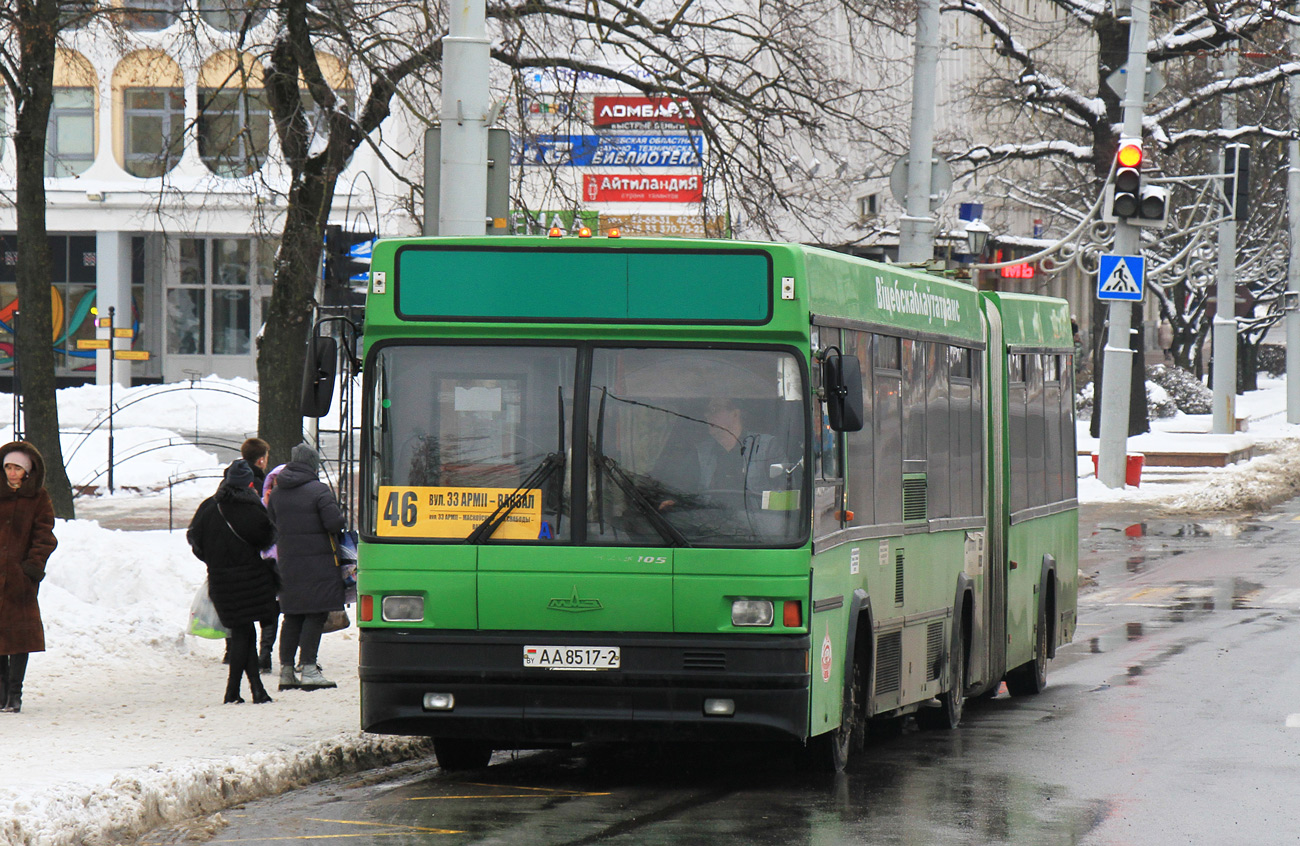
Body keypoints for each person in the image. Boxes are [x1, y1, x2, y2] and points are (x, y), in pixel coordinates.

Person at [187, 459, 278, 704]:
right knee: (242, 633)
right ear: (249, 483)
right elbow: (266, 539)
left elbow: (195, 541)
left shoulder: (209, 507)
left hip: (220, 581)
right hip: (249, 581)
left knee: (242, 632)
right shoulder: (252, 508)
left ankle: (254, 690)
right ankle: (235, 692)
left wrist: (214, 562)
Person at [268, 444, 346, 691]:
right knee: (315, 613)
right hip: (318, 564)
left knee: (291, 616)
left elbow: (271, 520)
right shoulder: (318, 490)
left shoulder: (278, 492)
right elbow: (334, 522)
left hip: (289, 563)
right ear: (313, 464)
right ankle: (309, 669)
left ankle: (287, 672)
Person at [0, 441, 58, 714]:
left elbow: (44, 536)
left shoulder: (38, 498)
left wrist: (31, 568)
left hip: (19, 580)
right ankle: (1, 694)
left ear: (28, 471)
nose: (12, 473)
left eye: (17, 468)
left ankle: (15, 694)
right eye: (8, 467)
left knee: (19, 638)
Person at [224, 440, 278, 673]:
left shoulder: (224, 487)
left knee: (235, 604)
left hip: (229, 558)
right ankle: (264, 654)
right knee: (268, 607)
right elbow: (266, 526)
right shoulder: (261, 485)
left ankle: (232, 650)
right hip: (257, 556)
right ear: (261, 460)